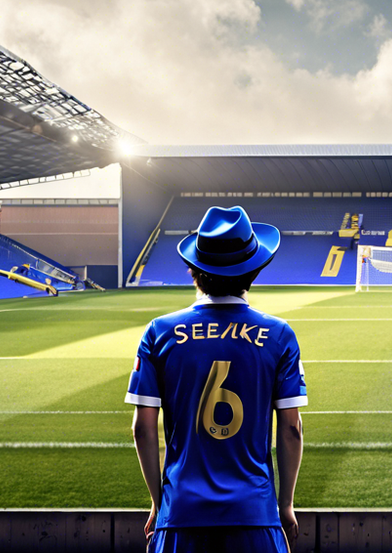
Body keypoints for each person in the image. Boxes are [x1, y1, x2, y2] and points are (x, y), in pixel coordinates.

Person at [127, 206, 305, 553]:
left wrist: (157, 502)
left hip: (179, 516)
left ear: (193, 269)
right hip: (256, 516)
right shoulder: (279, 335)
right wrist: (285, 506)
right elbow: (291, 429)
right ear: (254, 270)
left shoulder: (159, 332)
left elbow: (143, 429)